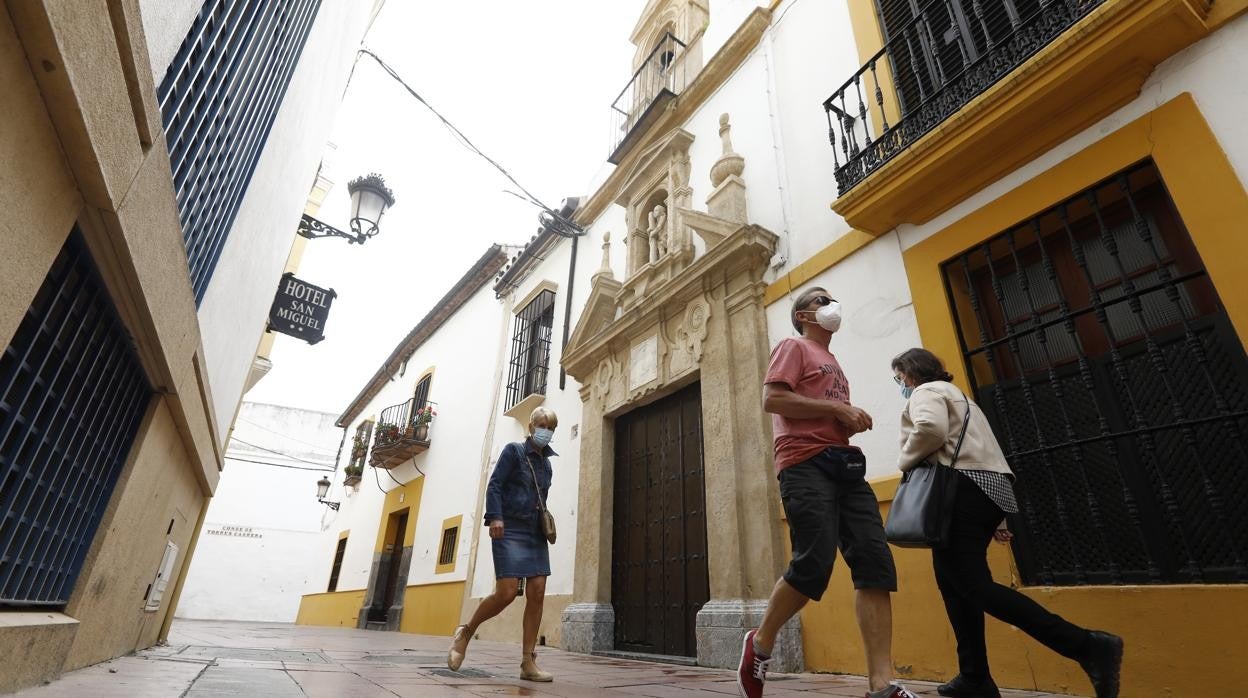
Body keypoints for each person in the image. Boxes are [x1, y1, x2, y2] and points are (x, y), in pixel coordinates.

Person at [891, 348, 1124, 698]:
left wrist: (903, 461)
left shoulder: (927, 392)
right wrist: (997, 515)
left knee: (971, 585)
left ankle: (1087, 645)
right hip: (986, 491)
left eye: (899, 378)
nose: (900, 385)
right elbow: (982, 452)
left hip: (959, 492)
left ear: (911, 373)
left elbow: (930, 429)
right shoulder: (964, 400)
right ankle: (974, 677)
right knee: (954, 585)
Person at [737, 287, 918, 698]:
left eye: (832, 298)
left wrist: (847, 421)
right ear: (803, 315)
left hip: (844, 465)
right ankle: (760, 642)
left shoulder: (833, 361)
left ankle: (882, 684)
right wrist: (838, 410)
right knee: (814, 562)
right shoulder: (793, 345)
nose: (831, 303)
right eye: (821, 300)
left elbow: (817, 408)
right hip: (804, 464)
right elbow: (773, 398)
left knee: (875, 561)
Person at [447, 407, 559, 682]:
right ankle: (466, 631)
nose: (547, 431)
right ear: (532, 426)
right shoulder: (513, 451)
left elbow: (540, 496)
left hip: (534, 532)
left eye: (551, 427)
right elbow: (495, 485)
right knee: (507, 592)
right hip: (508, 527)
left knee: (538, 591)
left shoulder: (547, 465)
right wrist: (495, 516)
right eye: (542, 425)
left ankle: (527, 662)